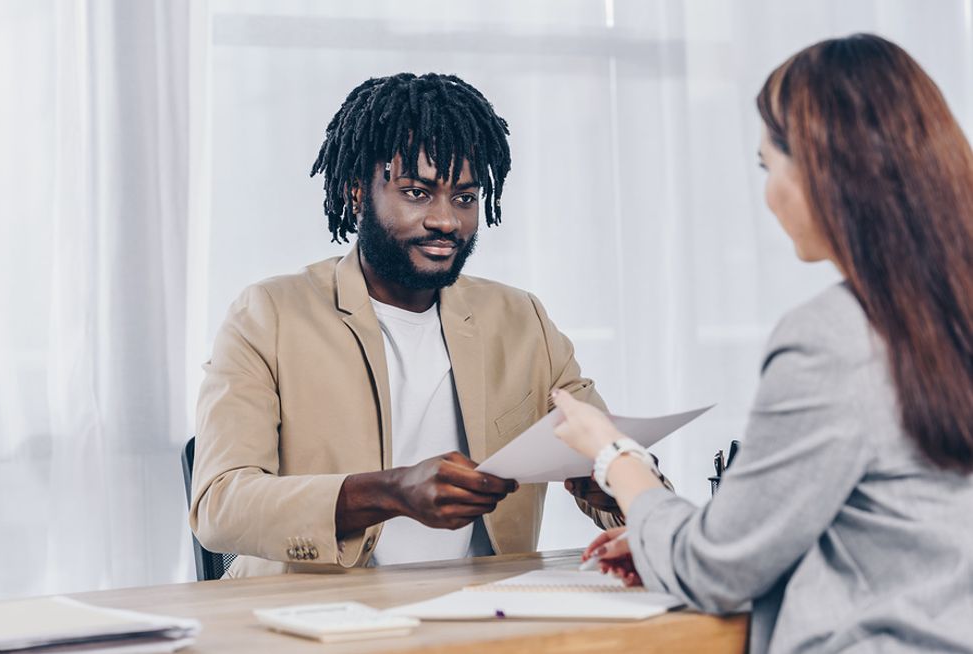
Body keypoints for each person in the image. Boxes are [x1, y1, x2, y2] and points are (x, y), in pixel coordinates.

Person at [551, 34, 973, 653]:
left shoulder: (831, 337)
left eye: (767, 165)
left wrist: (614, 456)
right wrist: (668, 539)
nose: (768, 194)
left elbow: (715, 570)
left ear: (825, 170)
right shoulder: (947, 315)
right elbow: (895, 530)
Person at [190, 73, 659, 578]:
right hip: (319, 615)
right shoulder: (269, 314)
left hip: (486, 613)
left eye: (464, 198)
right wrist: (389, 492)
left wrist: (617, 484)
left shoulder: (522, 320)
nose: (446, 221)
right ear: (356, 193)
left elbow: (629, 467)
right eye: (416, 192)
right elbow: (219, 505)